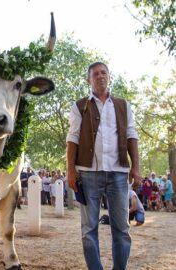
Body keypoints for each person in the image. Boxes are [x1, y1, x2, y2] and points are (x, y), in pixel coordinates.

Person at [66, 62, 141, 270]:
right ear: (89, 80)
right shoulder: (80, 106)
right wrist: (71, 170)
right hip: (89, 174)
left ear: (109, 77)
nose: (100, 76)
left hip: (118, 173)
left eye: (103, 73)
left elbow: (131, 135)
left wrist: (136, 166)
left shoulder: (123, 105)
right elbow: (72, 138)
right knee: (89, 229)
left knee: (122, 229)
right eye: (95, 74)